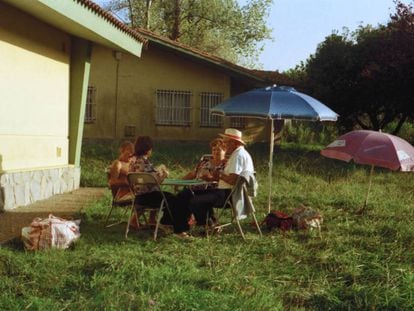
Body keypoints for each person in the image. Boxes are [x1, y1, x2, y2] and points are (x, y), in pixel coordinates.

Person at [189, 128, 255, 227]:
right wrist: (216, 176)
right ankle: (211, 225)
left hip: (228, 196)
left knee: (194, 199)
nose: (224, 144)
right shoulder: (241, 154)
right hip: (231, 193)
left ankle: (209, 226)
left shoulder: (238, 156)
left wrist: (218, 173)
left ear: (234, 143)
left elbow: (232, 180)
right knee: (192, 194)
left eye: (226, 142)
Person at [129, 136, 192, 239]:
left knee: (171, 199)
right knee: (176, 200)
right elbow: (154, 182)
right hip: (150, 197)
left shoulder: (133, 161)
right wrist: (164, 175)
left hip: (138, 198)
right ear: (148, 149)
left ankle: (166, 222)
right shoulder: (145, 163)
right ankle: (179, 230)